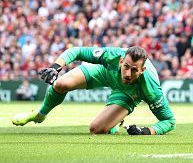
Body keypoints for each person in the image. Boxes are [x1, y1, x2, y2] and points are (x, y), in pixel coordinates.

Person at [12, 46, 176, 135]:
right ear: (120, 61)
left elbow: (169, 121)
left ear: (142, 70)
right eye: (126, 67)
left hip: (127, 94)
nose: (128, 73)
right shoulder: (111, 55)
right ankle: (40, 115)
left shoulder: (151, 88)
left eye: (134, 70)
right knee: (61, 84)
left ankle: (114, 122)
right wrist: (56, 68)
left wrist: (147, 131)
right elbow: (76, 51)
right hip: (104, 73)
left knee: (96, 129)